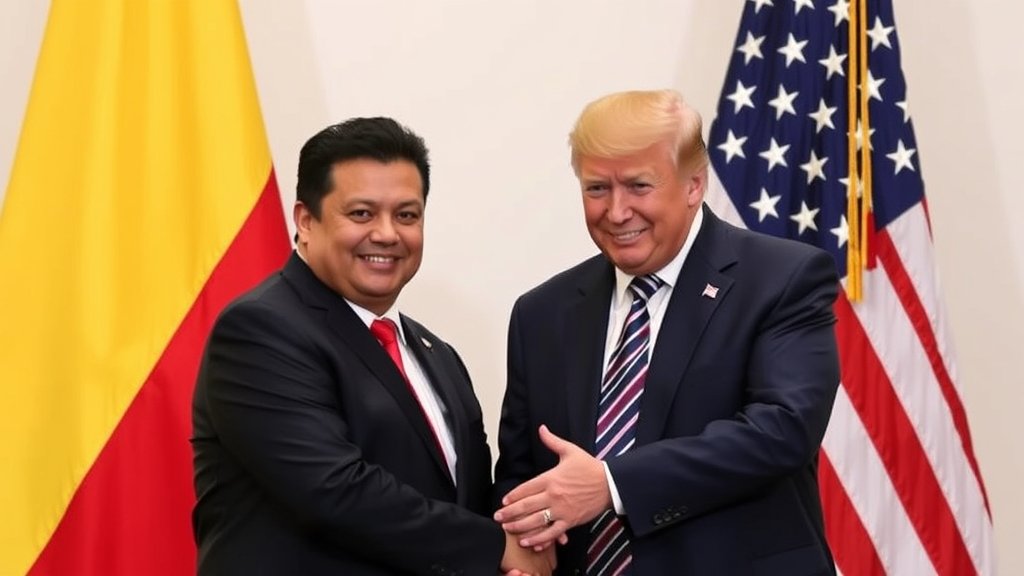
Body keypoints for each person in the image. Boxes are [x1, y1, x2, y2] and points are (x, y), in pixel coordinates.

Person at [493, 90, 840, 575]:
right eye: (596, 189)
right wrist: (525, 538)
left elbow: (782, 430)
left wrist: (613, 484)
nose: (616, 212)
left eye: (639, 186)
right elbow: (523, 473)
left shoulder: (782, 278)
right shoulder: (541, 313)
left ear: (694, 184)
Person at [192, 117, 553, 575]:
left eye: (407, 215)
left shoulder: (436, 354)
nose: (387, 234)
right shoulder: (260, 329)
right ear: (306, 220)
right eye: (361, 213)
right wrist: (496, 548)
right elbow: (335, 490)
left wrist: (529, 527)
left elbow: (471, 497)